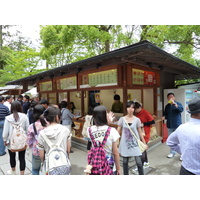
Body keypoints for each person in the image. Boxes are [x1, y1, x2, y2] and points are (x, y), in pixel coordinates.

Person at [166, 97, 200, 175]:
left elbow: (170, 142)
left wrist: (184, 151)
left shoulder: (182, 127)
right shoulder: (168, 106)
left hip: (185, 170)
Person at [86, 105, 121, 175]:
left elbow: (89, 148)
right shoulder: (112, 131)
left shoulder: (89, 130)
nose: (108, 115)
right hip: (109, 165)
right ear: (104, 116)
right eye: (107, 113)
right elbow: (115, 153)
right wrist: (118, 168)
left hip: (95, 164)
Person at [37, 106, 71, 174]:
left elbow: (41, 155)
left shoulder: (42, 133)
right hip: (63, 164)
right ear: (57, 117)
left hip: (49, 166)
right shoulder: (66, 130)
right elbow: (68, 150)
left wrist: (44, 162)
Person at [117, 101, 147, 175]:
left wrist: (144, 143)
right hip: (124, 144)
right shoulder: (122, 119)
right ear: (126, 108)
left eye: (132, 107)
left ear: (134, 109)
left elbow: (140, 132)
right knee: (124, 162)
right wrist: (116, 144)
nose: (130, 109)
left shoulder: (137, 120)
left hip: (135, 143)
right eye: (129, 107)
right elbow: (118, 132)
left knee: (139, 163)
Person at [3, 101, 29, 175]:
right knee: (22, 157)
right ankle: (22, 174)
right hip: (22, 141)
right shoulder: (24, 116)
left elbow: (5, 131)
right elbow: (27, 128)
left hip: (11, 141)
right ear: (20, 107)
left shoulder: (8, 118)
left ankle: (13, 171)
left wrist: (5, 140)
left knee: (12, 157)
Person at [133, 102, 155, 169]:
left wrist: (144, 124)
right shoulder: (136, 114)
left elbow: (153, 121)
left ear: (139, 108)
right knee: (143, 149)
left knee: (141, 149)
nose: (135, 111)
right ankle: (146, 163)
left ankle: (141, 165)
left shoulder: (145, 112)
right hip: (139, 133)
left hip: (145, 133)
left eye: (136, 109)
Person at [163, 92, 183, 158]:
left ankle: (182, 154)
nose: (170, 98)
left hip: (177, 124)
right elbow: (166, 114)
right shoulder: (167, 106)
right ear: (167, 98)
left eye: (172, 97)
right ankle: (172, 152)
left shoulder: (178, 104)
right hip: (170, 125)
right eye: (169, 97)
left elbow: (181, 110)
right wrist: (164, 117)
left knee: (179, 139)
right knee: (171, 140)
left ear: (174, 97)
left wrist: (175, 105)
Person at [27, 104, 46, 175]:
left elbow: (29, 141)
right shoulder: (49, 124)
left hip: (36, 150)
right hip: (48, 150)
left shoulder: (32, 126)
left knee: (35, 170)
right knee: (48, 169)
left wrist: (31, 147)